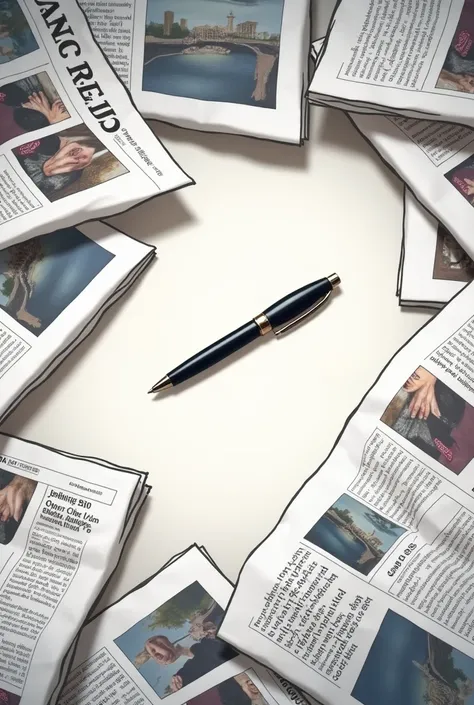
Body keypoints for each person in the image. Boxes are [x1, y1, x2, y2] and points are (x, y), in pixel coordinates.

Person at [134, 633, 238, 692]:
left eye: (158, 643)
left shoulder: (198, 645)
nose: (160, 650)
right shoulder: (174, 679)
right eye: (154, 652)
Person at [15, 133, 97, 197]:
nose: (77, 155)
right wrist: (57, 159)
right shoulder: (51, 142)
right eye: (79, 149)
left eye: (84, 157)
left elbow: (43, 184)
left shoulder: (72, 174)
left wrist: (59, 164)